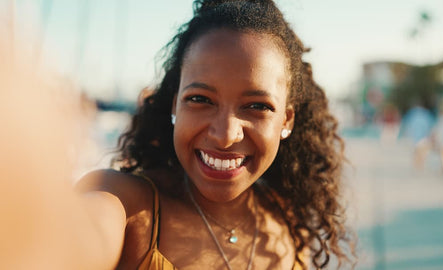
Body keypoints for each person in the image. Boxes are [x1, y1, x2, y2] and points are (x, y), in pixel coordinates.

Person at [2, 0, 354, 269]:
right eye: (200, 99)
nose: (225, 135)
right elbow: (60, 245)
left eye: (256, 106)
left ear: (287, 119)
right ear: (175, 105)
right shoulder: (127, 208)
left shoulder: (288, 222)